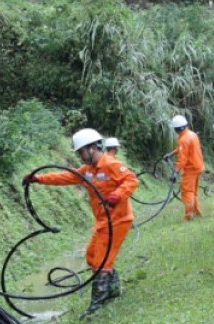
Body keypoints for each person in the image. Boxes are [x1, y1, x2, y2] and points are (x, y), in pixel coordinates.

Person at [23, 128, 139, 315]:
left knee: (101, 261)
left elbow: (131, 180)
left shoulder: (111, 164)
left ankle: (96, 306)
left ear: (92, 148)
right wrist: (38, 179)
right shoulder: (87, 170)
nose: (80, 156)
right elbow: (65, 177)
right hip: (103, 221)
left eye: (81, 152)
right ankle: (113, 288)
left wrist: (116, 196)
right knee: (92, 256)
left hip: (118, 220)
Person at [170, 114, 204, 221]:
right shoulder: (192, 134)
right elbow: (184, 149)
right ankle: (197, 212)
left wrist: (175, 172)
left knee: (187, 191)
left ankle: (189, 215)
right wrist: (172, 153)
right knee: (193, 191)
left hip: (191, 169)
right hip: (199, 166)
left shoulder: (183, 139)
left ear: (177, 129)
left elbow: (182, 160)